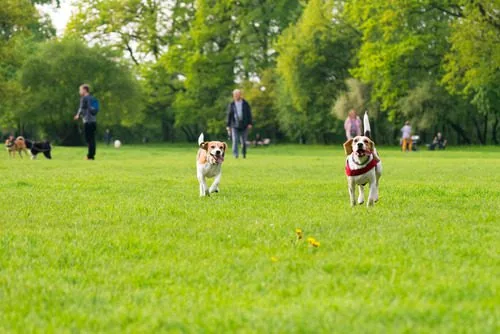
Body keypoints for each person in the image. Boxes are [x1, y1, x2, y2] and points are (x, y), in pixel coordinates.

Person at [226, 89, 253, 159]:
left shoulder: (245, 103)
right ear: (233, 96)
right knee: (235, 141)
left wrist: (250, 123)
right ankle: (236, 155)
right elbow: (229, 115)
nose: (237, 96)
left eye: (238, 95)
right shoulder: (232, 104)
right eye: (235, 95)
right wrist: (228, 126)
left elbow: (249, 114)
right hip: (235, 125)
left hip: (244, 125)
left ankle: (244, 154)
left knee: (244, 142)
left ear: (240, 95)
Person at [74, 84, 97, 160]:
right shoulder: (93, 98)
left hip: (87, 121)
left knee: (88, 139)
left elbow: (81, 108)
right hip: (93, 121)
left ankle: (89, 156)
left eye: (80, 90)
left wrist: (77, 115)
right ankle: (91, 155)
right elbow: (96, 109)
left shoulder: (83, 98)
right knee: (92, 139)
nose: (79, 92)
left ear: (84, 90)